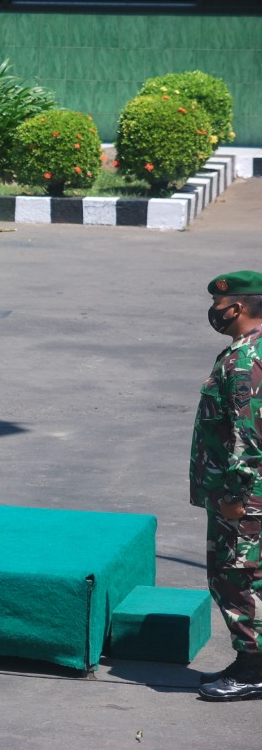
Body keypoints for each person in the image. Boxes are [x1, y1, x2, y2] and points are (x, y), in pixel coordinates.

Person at [190, 271, 262, 702]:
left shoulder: (244, 361)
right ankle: (248, 660)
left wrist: (237, 496)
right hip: (244, 494)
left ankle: (254, 669)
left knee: (236, 579)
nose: (215, 312)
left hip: (244, 498)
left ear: (235, 307)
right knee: (242, 578)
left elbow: (248, 436)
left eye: (220, 305)